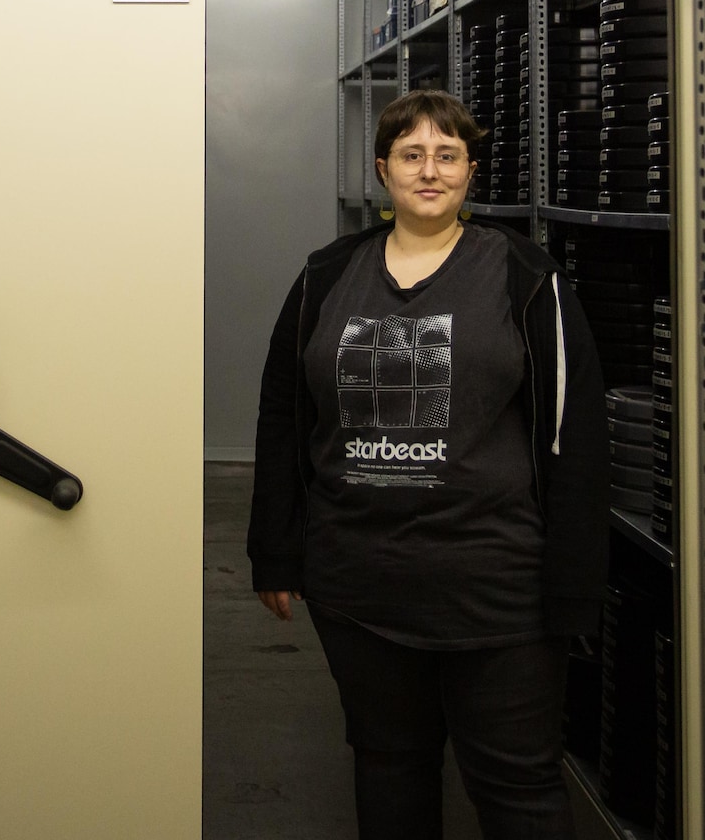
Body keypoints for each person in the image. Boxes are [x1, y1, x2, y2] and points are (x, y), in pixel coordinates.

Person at [248, 89, 610, 840]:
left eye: (448, 155)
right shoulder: (324, 277)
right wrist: (275, 551)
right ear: (383, 170)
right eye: (412, 155)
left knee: (517, 787)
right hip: (360, 586)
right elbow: (284, 420)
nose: (430, 170)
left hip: (496, 590)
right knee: (388, 765)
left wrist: (574, 585)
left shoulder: (524, 277)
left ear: (471, 171)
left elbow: (573, 440)